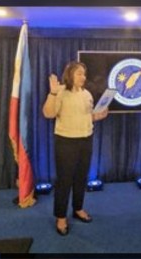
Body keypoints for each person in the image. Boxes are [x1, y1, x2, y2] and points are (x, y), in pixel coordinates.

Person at [42, 61, 108, 236]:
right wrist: (52, 93)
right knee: (64, 181)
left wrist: (98, 116)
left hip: (86, 140)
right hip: (65, 141)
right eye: (79, 73)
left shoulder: (87, 94)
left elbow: (88, 116)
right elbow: (48, 113)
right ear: (70, 75)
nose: (83, 77)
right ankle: (61, 217)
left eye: (84, 74)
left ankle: (78, 209)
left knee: (81, 178)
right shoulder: (61, 91)